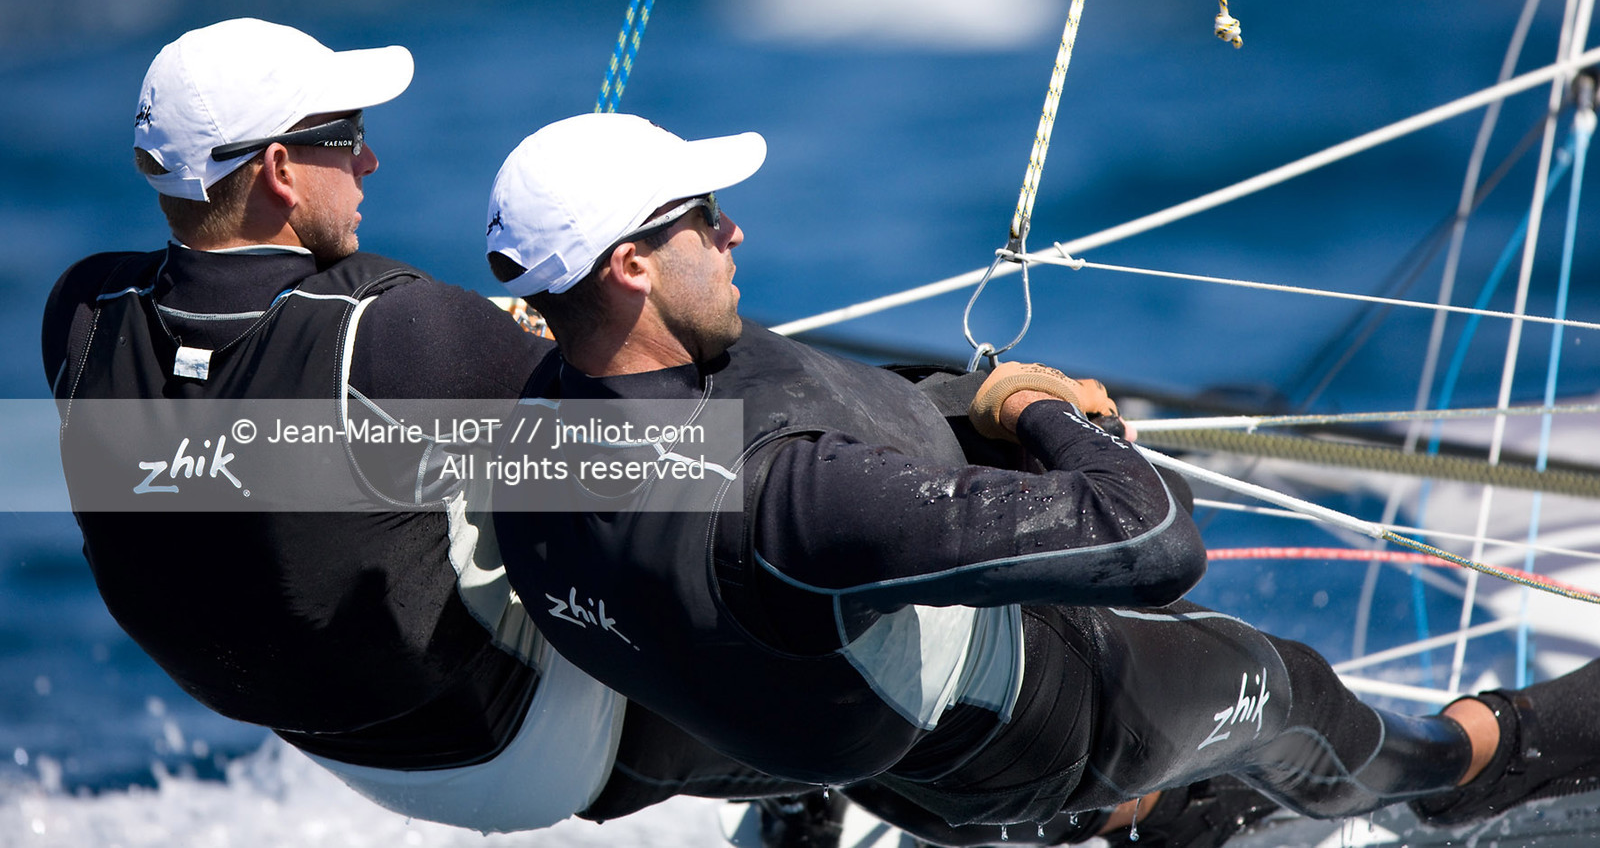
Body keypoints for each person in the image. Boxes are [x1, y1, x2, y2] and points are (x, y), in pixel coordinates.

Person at [482, 111, 1600, 846]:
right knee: (1296, 690)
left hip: (856, 747)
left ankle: (1141, 815)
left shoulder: (522, 430)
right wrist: (1043, 409)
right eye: (702, 220)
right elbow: (1152, 537)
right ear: (628, 266)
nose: (735, 230)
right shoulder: (790, 494)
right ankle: (1472, 765)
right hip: (1034, 733)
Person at [42, 20, 805, 834]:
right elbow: (670, 447)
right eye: (351, 138)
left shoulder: (83, 318)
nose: (369, 162)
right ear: (278, 170)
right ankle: (827, 780)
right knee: (755, 505)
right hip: (512, 746)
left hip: (331, 744)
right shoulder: (394, 335)